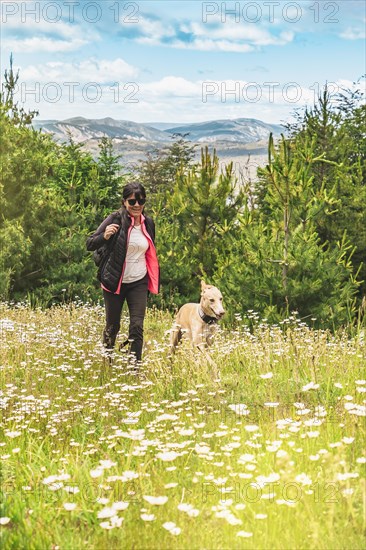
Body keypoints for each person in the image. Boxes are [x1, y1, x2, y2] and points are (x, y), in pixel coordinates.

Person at [86, 182, 159, 366]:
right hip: (114, 282)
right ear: (124, 202)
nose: (137, 205)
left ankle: (134, 369)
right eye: (132, 201)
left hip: (138, 282)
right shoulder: (115, 219)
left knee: (136, 326)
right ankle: (107, 362)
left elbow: (150, 250)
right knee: (113, 326)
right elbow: (89, 244)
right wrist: (105, 236)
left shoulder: (148, 223)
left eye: (141, 201)